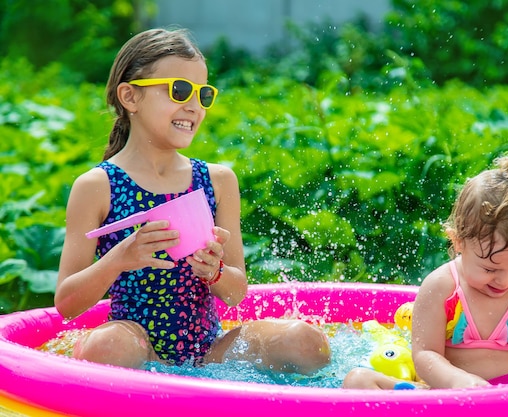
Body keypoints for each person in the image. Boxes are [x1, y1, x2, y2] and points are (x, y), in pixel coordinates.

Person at [55, 27, 330, 374]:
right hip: (137, 341)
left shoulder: (216, 181)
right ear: (130, 96)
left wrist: (215, 273)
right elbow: (66, 304)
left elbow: (236, 293)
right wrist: (118, 260)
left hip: (209, 349)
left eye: (203, 94)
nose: (193, 105)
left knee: (305, 341)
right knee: (107, 347)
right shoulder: (98, 185)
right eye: (179, 90)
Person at [343, 156, 508, 389]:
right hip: (448, 399)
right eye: (490, 268)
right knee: (358, 381)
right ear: (458, 242)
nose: (505, 280)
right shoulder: (441, 287)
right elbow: (425, 355)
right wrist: (458, 380)